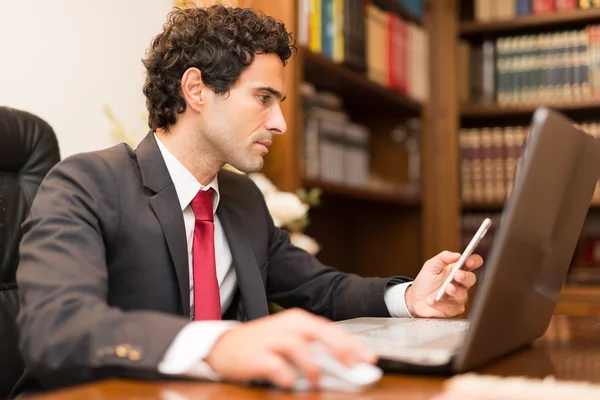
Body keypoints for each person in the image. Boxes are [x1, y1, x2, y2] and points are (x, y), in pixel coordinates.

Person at [12, 5, 482, 395]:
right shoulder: (86, 182)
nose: (279, 123)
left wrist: (409, 298)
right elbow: (56, 329)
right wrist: (217, 345)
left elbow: (322, 290)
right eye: (263, 98)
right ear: (195, 89)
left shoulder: (241, 199)